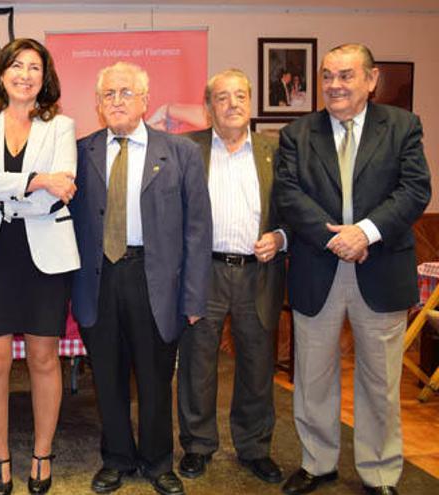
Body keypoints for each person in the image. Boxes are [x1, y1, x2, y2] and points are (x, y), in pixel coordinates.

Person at [274, 43, 431, 495]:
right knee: (312, 378)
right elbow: (288, 194)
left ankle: (379, 472)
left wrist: (364, 233)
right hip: (317, 267)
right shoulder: (298, 133)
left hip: (379, 265)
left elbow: (416, 189)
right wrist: (336, 239)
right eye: (327, 76)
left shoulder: (402, 126)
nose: (334, 85)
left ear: (371, 79)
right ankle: (317, 463)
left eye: (345, 75)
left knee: (380, 382)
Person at [69, 61, 211, 495]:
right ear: (97, 103)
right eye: (108, 94)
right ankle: (116, 458)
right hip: (99, 279)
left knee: (154, 378)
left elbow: (197, 229)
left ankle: (157, 461)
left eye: (126, 92)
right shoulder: (81, 151)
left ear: (146, 100)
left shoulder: (180, 152)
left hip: (157, 281)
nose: (116, 101)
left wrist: (192, 300)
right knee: (107, 377)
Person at [0, 38, 80, 495]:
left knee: (45, 358)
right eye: (16, 66)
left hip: (44, 253)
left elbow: (61, 188)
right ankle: (0, 456)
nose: (25, 74)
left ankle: (43, 453)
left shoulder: (61, 126)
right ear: (1, 73)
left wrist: (13, 189)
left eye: (34, 68)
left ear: (45, 79)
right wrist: (36, 180)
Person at [176, 69, 286, 485]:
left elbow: (290, 212)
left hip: (259, 274)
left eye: (240, 95)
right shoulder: (188, 149)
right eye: (223, 97)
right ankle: (198, 446)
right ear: (209, 107)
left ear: (251, 102)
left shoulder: (274, 151)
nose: (233, 104)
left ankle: (255, 448)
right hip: (203, 273)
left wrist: (280, 236)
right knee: (197, 365)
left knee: (258, 365)